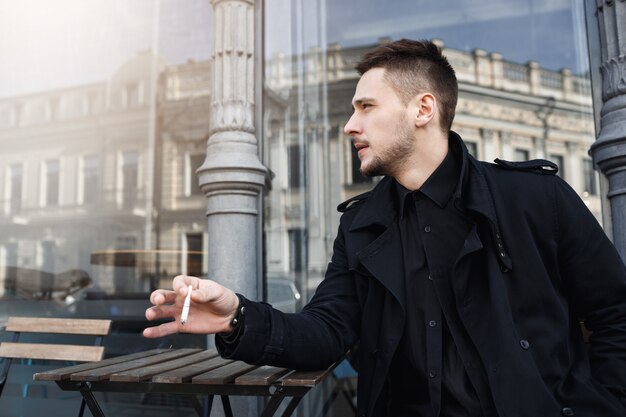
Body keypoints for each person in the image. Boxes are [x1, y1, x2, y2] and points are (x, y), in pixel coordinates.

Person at [143, 39, 626, 417]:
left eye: (366, 107)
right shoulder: (361, 225)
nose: (350, 125)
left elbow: (615, 315)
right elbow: (327, 331)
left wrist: (601, 405)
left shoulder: (535, 199)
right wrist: (238, 317)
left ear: (423, 109)